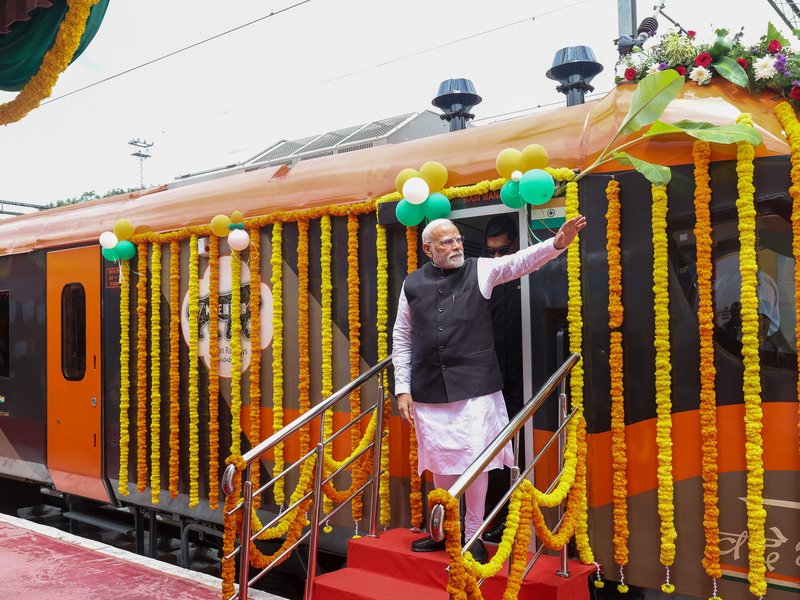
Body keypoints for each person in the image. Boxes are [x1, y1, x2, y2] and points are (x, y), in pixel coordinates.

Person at [392, 215, 586, 563]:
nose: (455, 247)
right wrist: (402, 388)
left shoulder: (480, 270)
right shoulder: (412, 284)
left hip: (477, 390)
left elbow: (519, 262)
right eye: (446, 243)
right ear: (427, 249)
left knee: (477, 465)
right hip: (429, 391)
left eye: (457, 240)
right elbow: (402, 338)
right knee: (441, 464)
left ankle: (472, 535)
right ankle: (444, 532)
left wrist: (556, 244)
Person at [481, 214, 523, 544]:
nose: (497, 258)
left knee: (519, 453)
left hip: (527, 380)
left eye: (504, 250)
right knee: (495, 454)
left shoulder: (533, 276)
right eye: (491, 252)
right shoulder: (486, 283)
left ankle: (516, 516)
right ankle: (497, 517)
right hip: (493, 384)